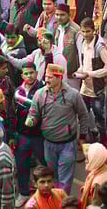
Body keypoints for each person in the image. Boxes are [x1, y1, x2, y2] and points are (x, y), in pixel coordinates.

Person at [26, 63, 90, 194]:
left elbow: (83, 115)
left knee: (65, 180)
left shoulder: (73, 95)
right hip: (48, 144)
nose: (47, 80)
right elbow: (33, 112)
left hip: (68, 145)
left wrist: (82, 136)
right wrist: (31, 119)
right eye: (46, 77)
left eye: (50, 77)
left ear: (60, 78)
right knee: (52, 177)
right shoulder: (40, 94)